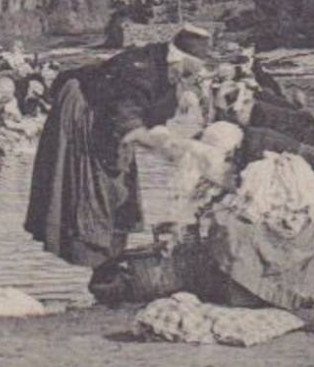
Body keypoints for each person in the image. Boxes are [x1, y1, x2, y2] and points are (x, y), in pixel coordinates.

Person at [23, 27, 215, 267]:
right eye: (194, 69)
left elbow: (150, 120)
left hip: (109, 116)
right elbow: (129, 123)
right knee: (95, 186)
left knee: (120, 184)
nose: (197, 76)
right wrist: (171, 151)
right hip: (84, 111)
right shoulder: (140, 71)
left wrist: (175, 144)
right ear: (181, 60)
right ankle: (98, 261)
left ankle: (110, 259)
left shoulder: (167, 69)